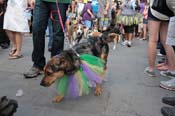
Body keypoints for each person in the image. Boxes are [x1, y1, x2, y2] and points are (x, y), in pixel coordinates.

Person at [24, 0, 71, 78]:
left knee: (58, 33)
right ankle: (38, 65)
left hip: (60, 2)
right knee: (37, 29)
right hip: (41, 1)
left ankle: (55, 65)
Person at [144, 0, 175, 77]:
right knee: (166, 41)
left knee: (153, 40)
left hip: (156, 9)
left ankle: (151, 69)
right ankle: (172, 70)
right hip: (168, 10)